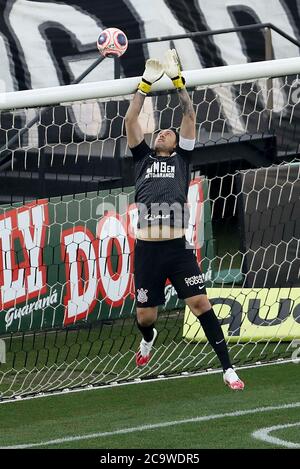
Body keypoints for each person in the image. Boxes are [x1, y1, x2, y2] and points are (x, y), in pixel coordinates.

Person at [125, 49, 244, 390]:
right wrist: (145, 84)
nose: (162, 133)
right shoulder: (142, 156)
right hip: (148, 250)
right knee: (145, 316)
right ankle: (148, 338)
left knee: (200, 303)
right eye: (159, 132)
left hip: (177, 249)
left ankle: (227, 369)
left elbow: (189, 113)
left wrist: (178, 83)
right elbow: (130, 121)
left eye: (168, 132)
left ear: (178, 141)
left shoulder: (183, 159)